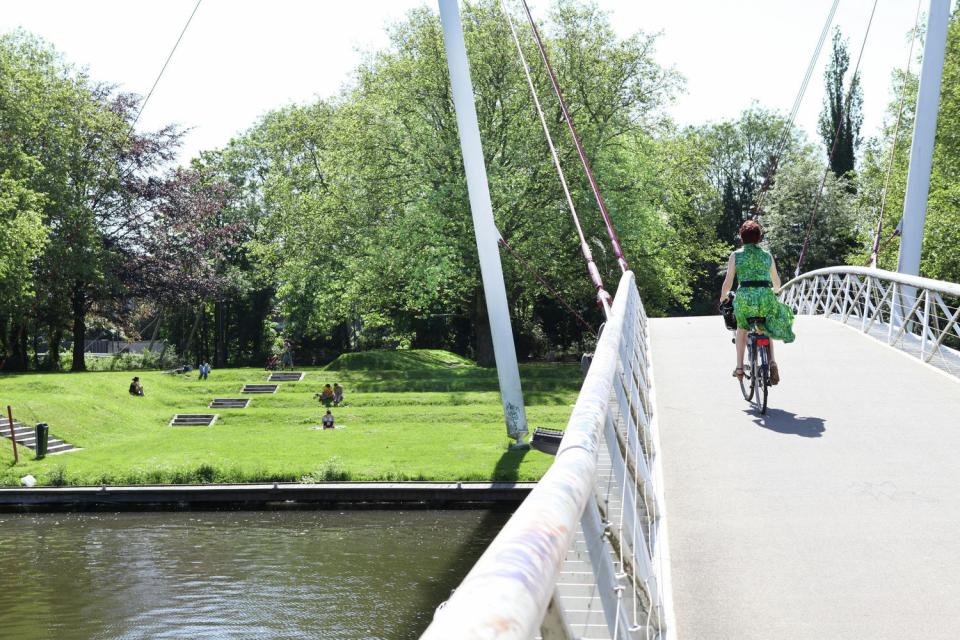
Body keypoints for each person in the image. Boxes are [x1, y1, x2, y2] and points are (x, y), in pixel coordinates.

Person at [719, 220, 795, 385]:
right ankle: (773, 362)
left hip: (745, 298)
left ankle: (739, 368)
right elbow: (777, 282)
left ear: (741, 237)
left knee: (742, 328)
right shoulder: (766, 256)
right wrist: (774, 292)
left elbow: (728, 281)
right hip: (765, 297)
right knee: (766, 326)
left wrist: (723, 297)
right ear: (759, 238)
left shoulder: (736, 255)